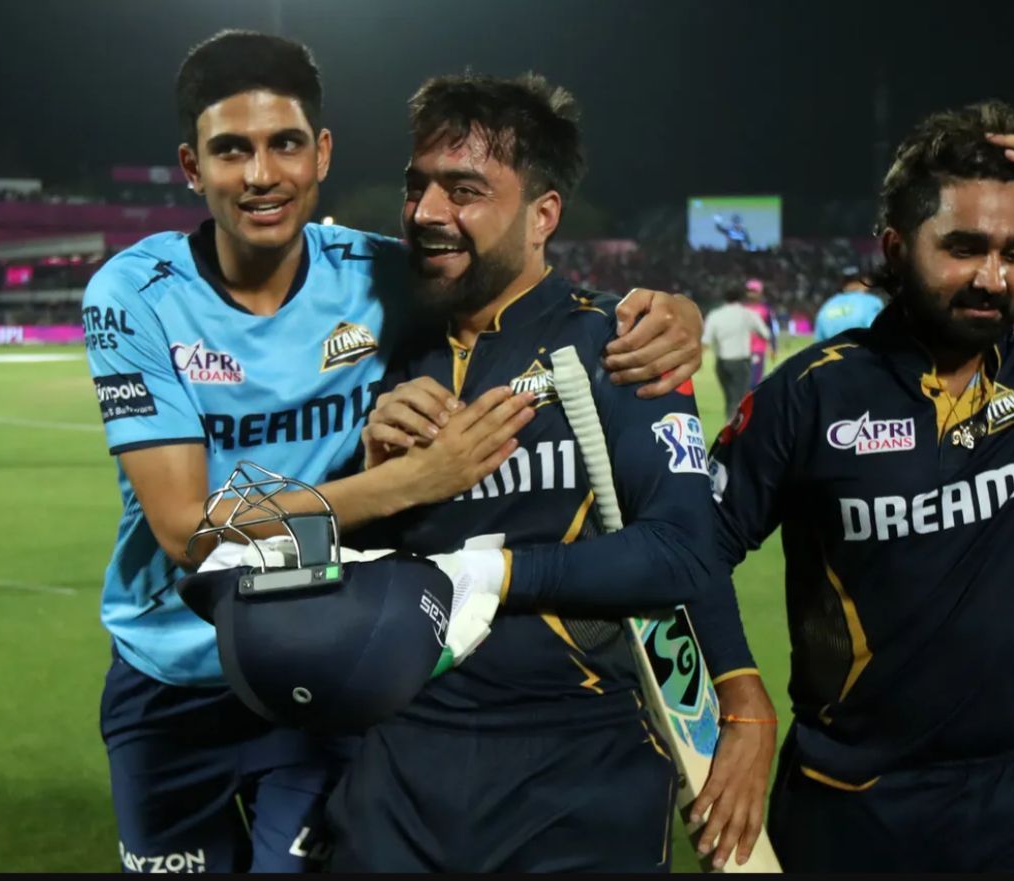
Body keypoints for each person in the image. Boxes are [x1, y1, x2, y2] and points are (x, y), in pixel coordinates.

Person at [82, 30, 707, 874]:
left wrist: (664, 312)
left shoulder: (380, 272)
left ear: (323, 154)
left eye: (285, 144)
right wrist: (408, 480)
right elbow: (189, 533)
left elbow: (515, 278)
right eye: (232, 151)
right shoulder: (133, 294)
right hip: (170, 670)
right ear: (192, 167)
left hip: (316, 655)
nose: (261, 174)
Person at [326, 72, 774, 873]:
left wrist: (496, 573)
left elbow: (681, 551)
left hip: (578, 769)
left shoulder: (622, 344)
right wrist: (370, 480)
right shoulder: (386, 354)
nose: (427, 212)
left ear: (543, 216)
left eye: (464, 190)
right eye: (417, 186)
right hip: (396, 769)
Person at [707, 99, 1014, 872]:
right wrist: (738, 696)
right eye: (964, 247)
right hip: (854, 812)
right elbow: (682, 548)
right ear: (897, 248)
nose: (993, 278)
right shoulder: (811, 394)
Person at [702, 285, 772, 420]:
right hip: (741, 362)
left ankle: (729, 426)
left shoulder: (715, 315)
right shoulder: (747, 314)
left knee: (729, 398)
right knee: (740, 398)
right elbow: (765, 333)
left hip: (722, 362)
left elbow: (706, 340)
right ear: (740, 297)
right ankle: (736, 431)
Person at [813, 266, 884, 341]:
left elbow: (819, 343)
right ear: (865, 282)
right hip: (861, 351)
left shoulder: (826, 307)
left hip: (833, 352)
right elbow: (879, 334)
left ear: (842, 283)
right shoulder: (872, 302)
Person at [744, 277, 778, 386]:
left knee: (754, 381)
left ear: (760, 293)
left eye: (754, 291)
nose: (751, 294)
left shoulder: (765, 310)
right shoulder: (741, 309)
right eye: (749, 291)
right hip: (741, 350)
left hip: (757, 349)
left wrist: (773, 347)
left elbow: (771, 330)